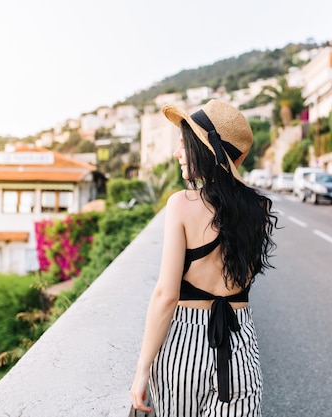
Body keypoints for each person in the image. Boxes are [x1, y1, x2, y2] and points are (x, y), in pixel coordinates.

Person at [130, 99, 277, 416]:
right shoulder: (259, 209)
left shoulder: (181, 204)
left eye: (184, 145)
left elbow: (166, 295)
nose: (177, 153)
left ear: (205, 150)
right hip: (240, 344)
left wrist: (142, 368)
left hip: (184, 348)